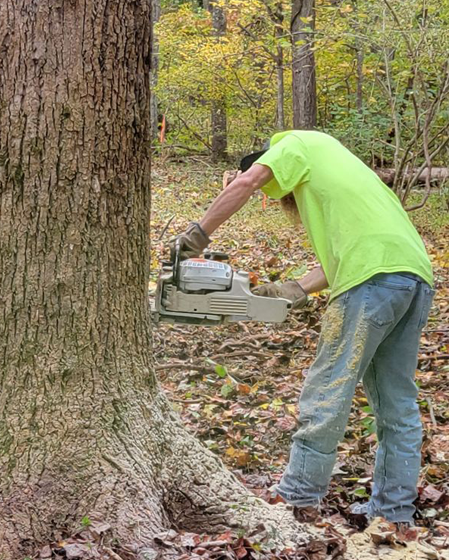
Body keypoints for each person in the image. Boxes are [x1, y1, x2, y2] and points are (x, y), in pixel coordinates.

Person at [173, 130, 434, 526]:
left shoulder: (294, 143)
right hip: (414, 278)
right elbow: (351, 256)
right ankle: (394, 513)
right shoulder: (348, 174)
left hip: (371, 283)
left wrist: (196, 237)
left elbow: (245, 182)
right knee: (398, 405)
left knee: (327, 392)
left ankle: (296, 499)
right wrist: (294, 288)